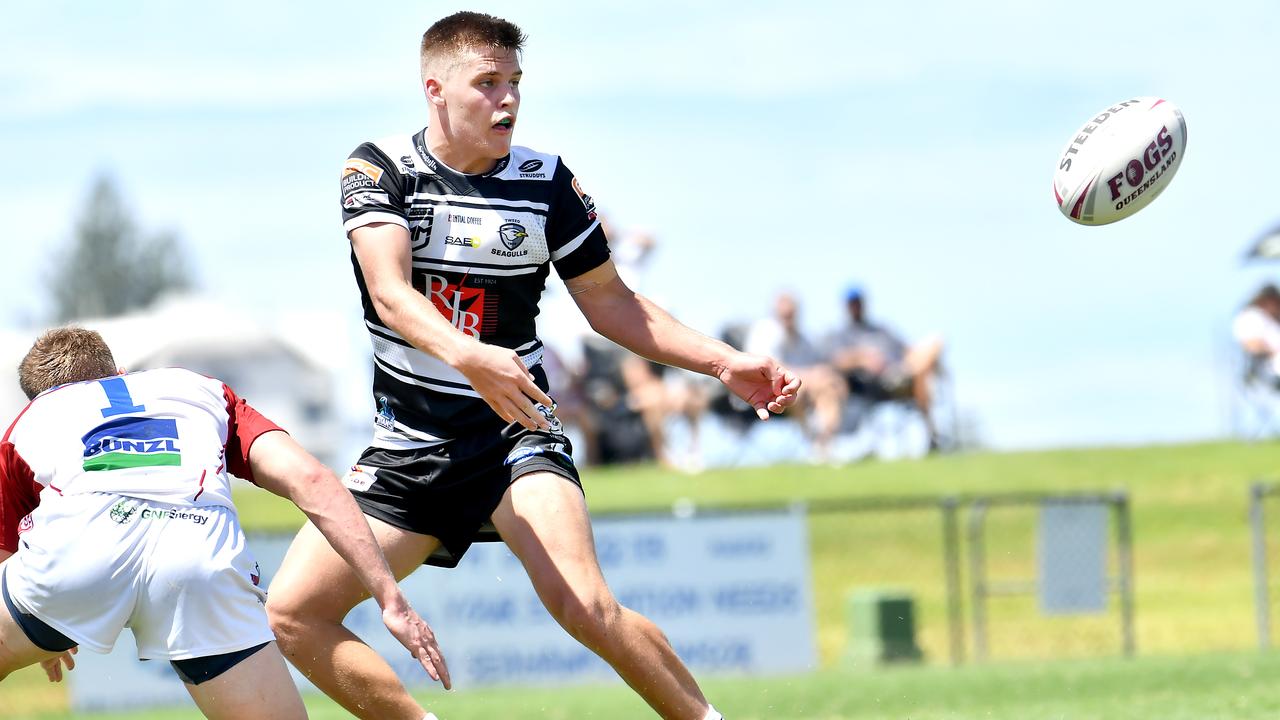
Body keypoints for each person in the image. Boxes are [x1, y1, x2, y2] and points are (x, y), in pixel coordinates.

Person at [265, 11, 800, 720]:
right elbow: (391, 295)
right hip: (412, 447)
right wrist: (468, 354)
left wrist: (723, 361)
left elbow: (613, 305)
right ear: (436, 90)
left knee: (584, 605)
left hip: (515, 431)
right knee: (293, 613)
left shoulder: (548, 183)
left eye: (514, 82)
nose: (508, 99)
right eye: (487, 83)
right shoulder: (380, 169)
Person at [0, 328, 449, 720]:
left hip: (79, 554)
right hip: (200, 559)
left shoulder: (29, 423)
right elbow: (312, 480)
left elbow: (5, 556)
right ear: (118, 371)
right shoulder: (199, 390)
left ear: (39, 394)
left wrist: (41, 621)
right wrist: (391, 600)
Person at [826, 286, 945, 450]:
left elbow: (906, 350)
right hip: (876, 383)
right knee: (921, 373)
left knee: (935, 342)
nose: (856, 306)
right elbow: (835, 362)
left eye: (858, 302)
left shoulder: (882, 330)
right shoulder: (841, 335)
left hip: (900, 371)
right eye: (852, 303)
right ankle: (931, 431)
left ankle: (932, 430)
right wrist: (861, 359)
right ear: (846, 306)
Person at [744, 292, 847, 460]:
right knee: (795, 388)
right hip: (766, 392)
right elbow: (769, 368)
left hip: (807, 390)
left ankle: (826, 443)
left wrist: (828, 377)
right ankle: (812, 438)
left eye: (791, 314)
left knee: (830, 386)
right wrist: (811, 376)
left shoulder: (805, 339)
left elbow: (818, 366)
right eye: (784, 314)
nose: (788, 318)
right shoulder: (765, 331)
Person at [1233, 283, 1280, 384]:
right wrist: (1271, 351)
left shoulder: (1274, 322)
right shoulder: (1251, 317)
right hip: (1267, 374)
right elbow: (1251, 344)